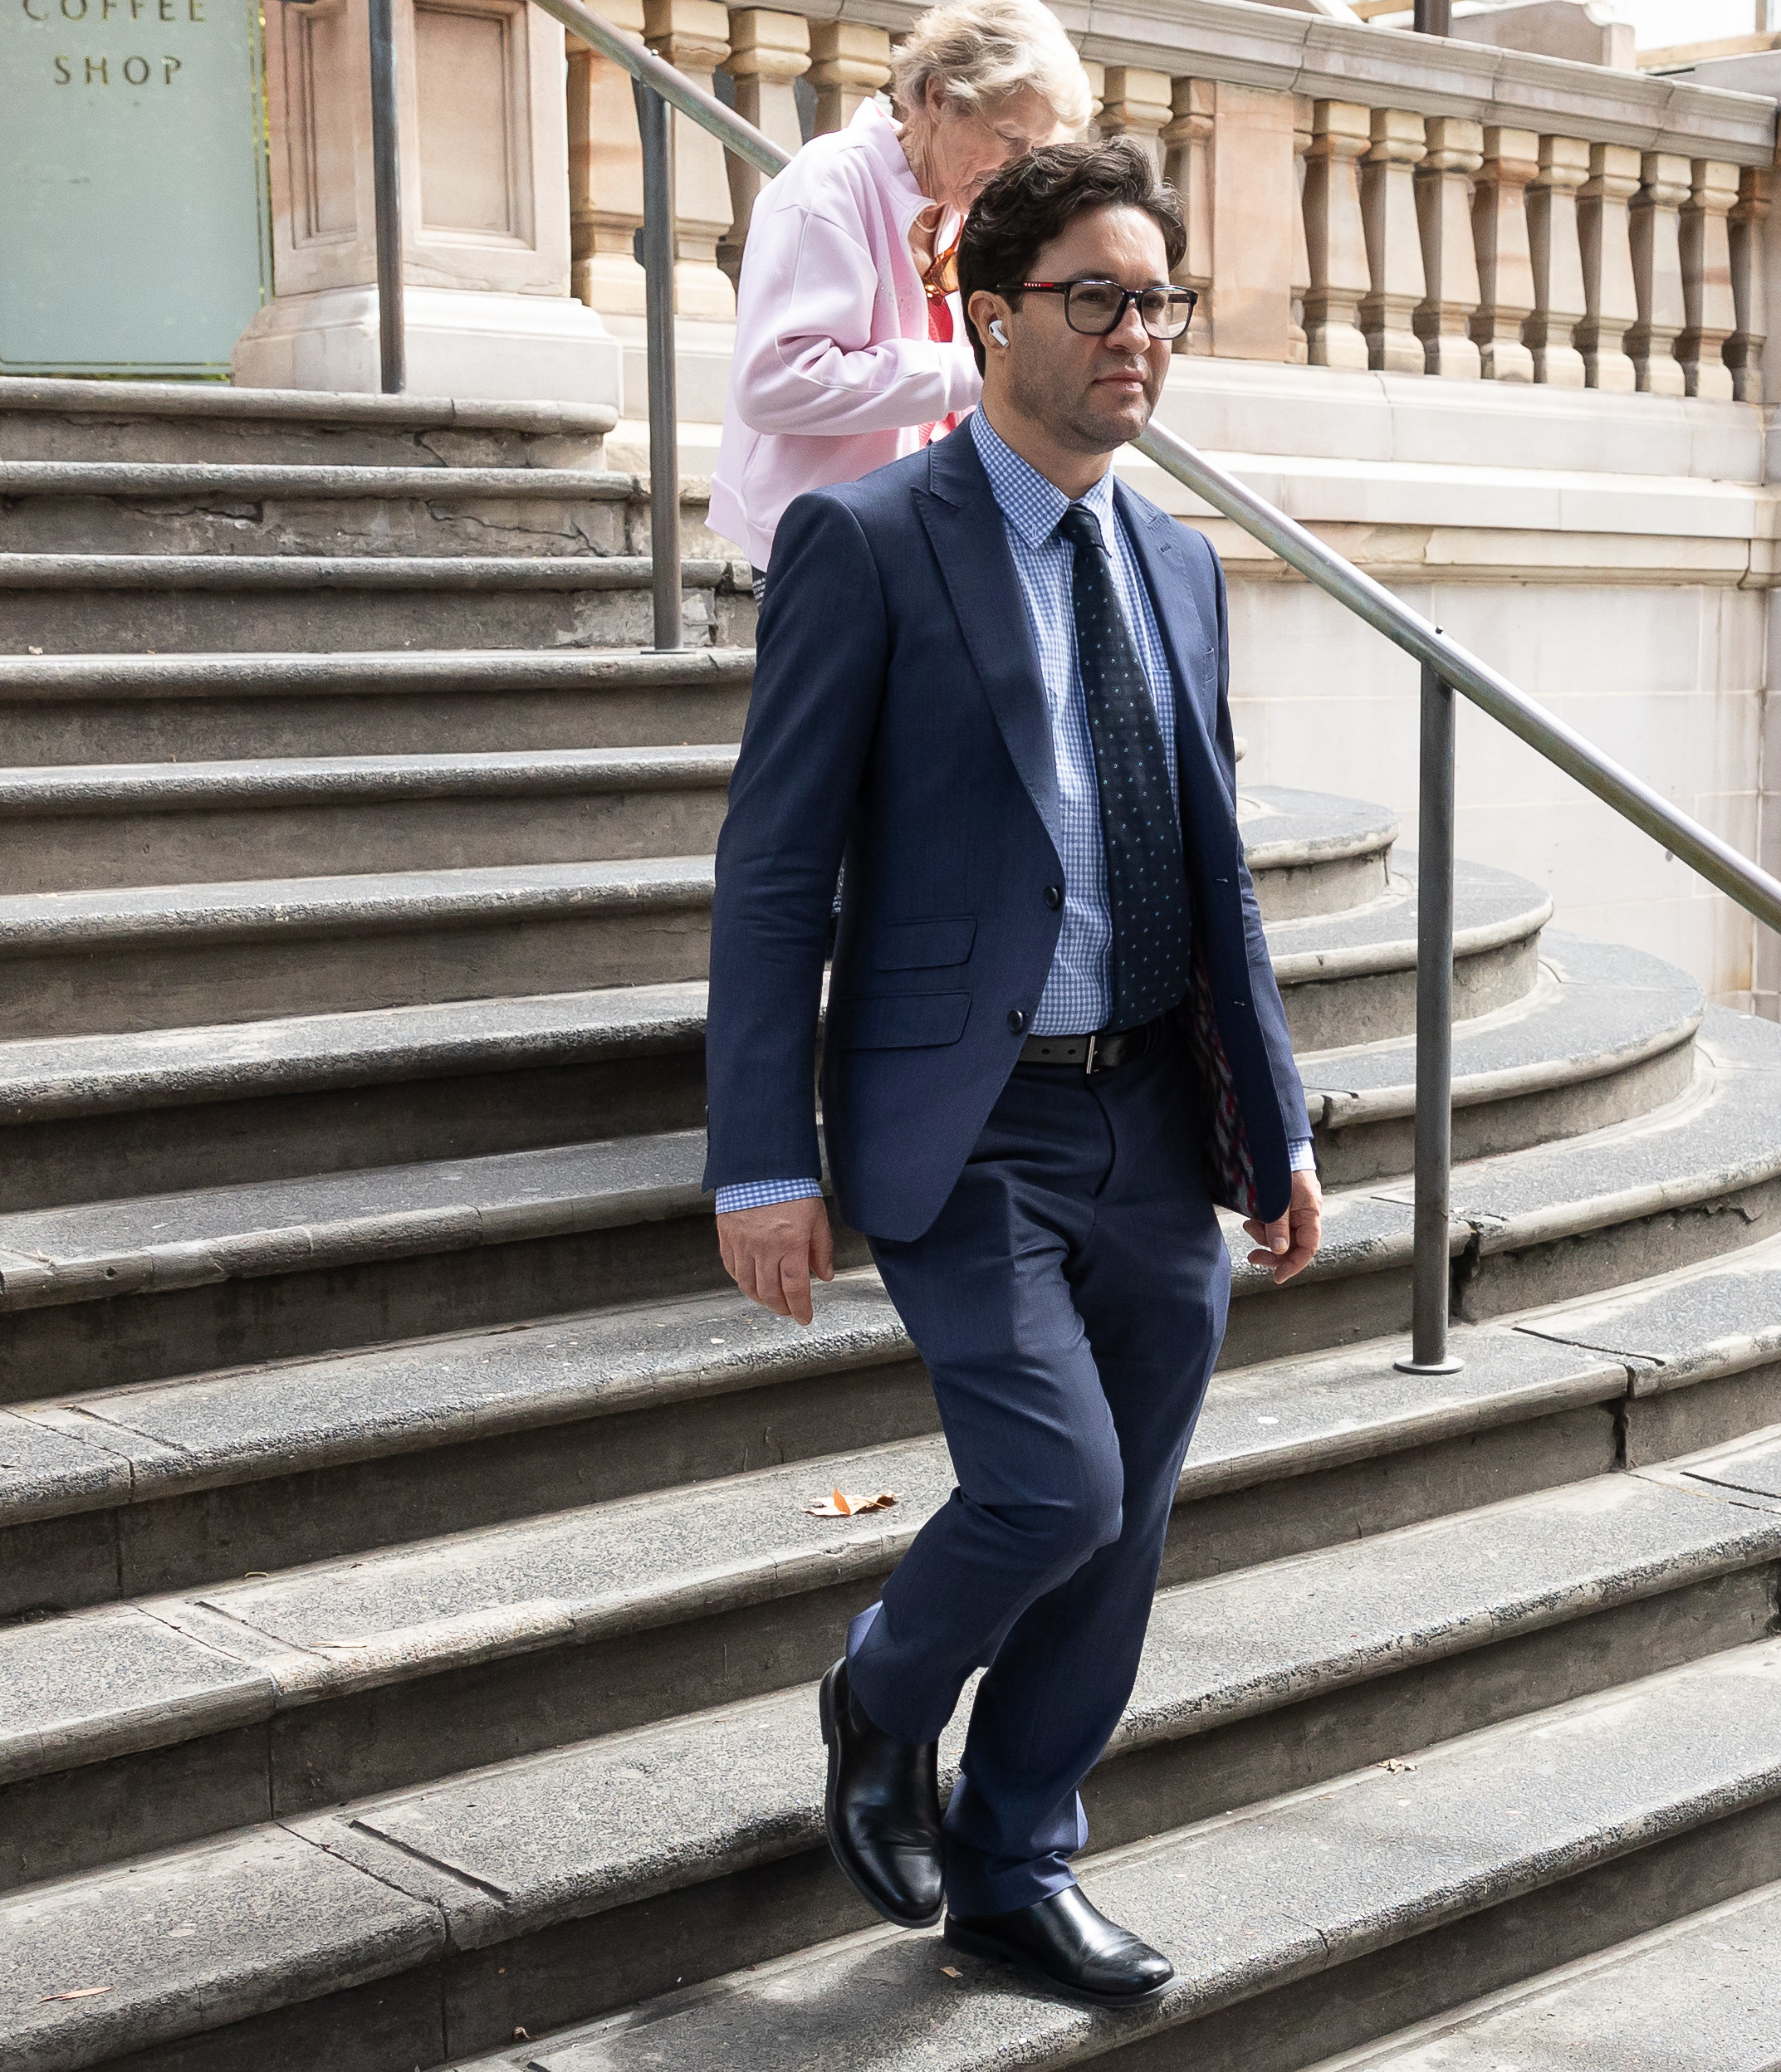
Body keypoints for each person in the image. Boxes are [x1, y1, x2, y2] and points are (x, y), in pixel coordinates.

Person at [702, 140, 1324, 2006]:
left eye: (1158, 303)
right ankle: (880, 1694)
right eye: (1098, 300)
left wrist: (1272, 1117)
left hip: (1153, 1108)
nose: (1140, 336)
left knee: (1122, 1522)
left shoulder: (1177, 561)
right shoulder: (871, 545)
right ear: (987, 319)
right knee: (1048, 1486)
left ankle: (1016, 1854)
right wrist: (758, 1161)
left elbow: (1212, 862)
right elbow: (773, 870)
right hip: (966, 1116)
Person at [707, 0, 1092, 576]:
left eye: (1038, 148)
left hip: (919, 540)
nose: (1021, 168)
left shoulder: (962, 207)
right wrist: (982, 367)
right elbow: (773, 382)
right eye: (1010, 136)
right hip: (825, 547)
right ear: (939, 97)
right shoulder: (830, 182)